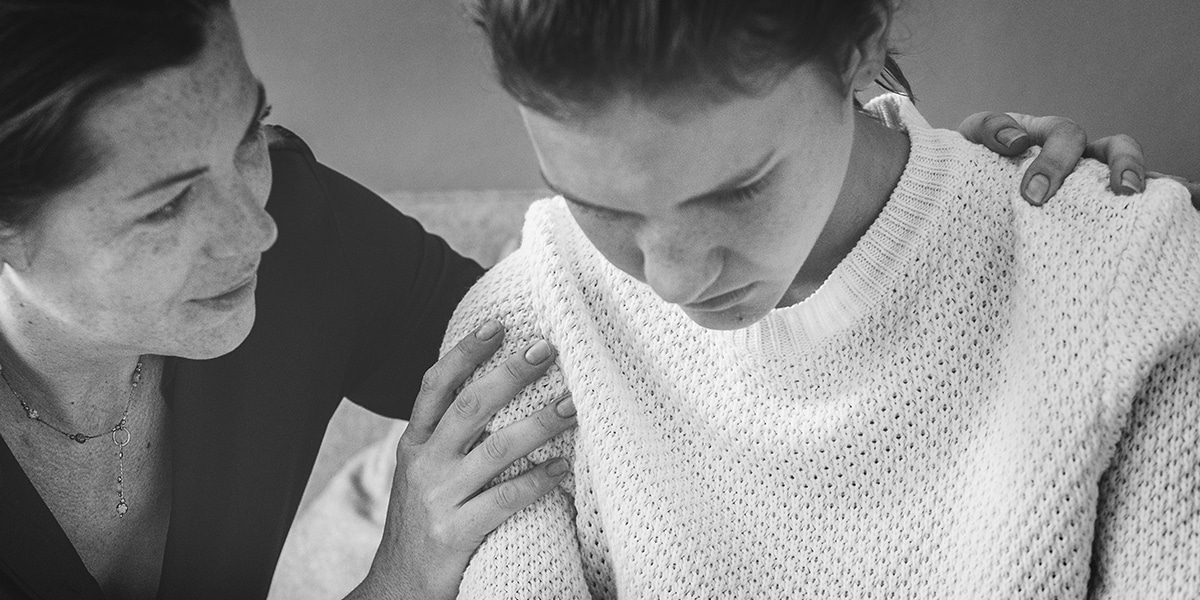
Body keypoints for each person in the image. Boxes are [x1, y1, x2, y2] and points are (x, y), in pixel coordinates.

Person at [0, 1, 1182, 599]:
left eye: (250, 133)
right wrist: (399, 579)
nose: (251, 222)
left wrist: (986, 211)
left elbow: (597, 368)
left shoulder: (299, 241)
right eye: (162, 207)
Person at [424, 0, 1200, 598]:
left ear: (859, 46)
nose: (673, 280)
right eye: (598, 206)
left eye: (737, 190)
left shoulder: (1123, 274)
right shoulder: (525, 343)